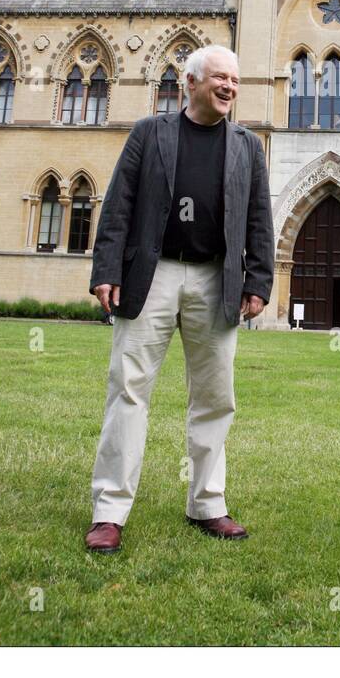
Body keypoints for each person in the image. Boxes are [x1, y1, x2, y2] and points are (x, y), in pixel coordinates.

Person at [84, 46, 275, 553]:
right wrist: (106, 269)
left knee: (215, 397)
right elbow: (118, 202)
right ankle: (110, 510)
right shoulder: (150, 133)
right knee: (128, 389)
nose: (229, 87)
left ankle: (208, 503)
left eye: (235, 79)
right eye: (219, 78)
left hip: (216, 280)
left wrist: (258, 280)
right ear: (189, 82)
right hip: (154, 273)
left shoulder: (248, 146)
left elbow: (260, 217)